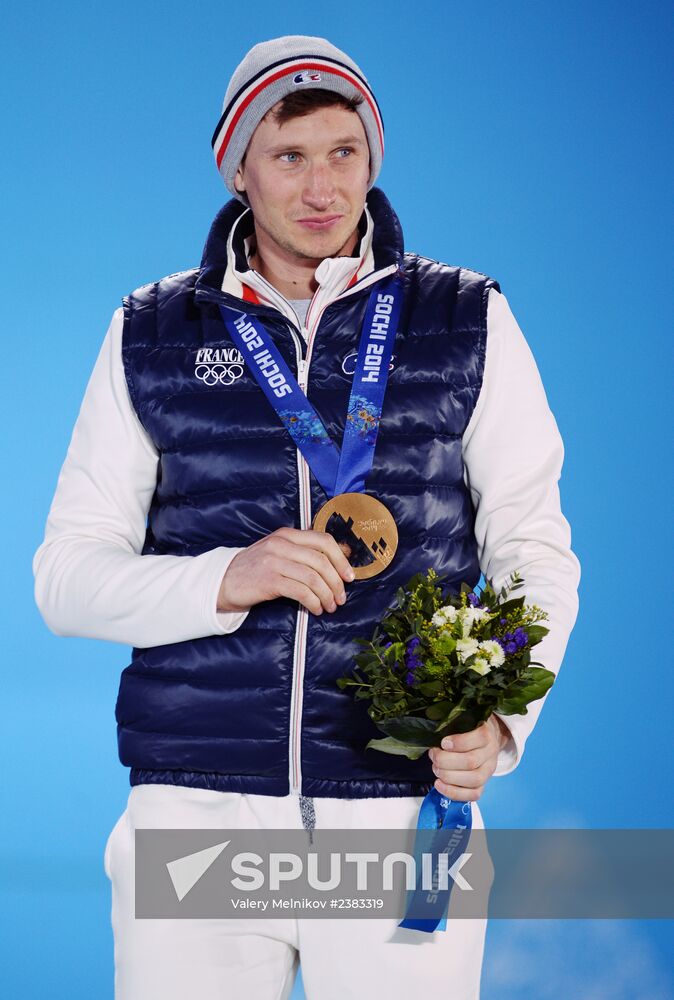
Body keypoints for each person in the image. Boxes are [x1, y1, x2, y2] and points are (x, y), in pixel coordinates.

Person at [33, 34, 581, 1000]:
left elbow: (533, 545)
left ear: (372, 161)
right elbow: (65, 580)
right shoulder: (152, 332)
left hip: (399, 804)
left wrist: (501, 716)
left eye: (345, 153)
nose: (324, 187)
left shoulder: (465, 317)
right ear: (237, 168)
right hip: (196, 811)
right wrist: (223, 577)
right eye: (290, 157)